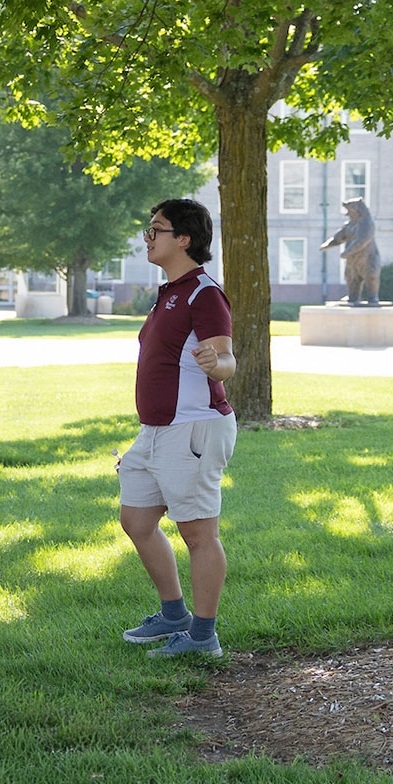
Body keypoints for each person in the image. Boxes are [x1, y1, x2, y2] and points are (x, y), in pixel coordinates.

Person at [118, 199, 237, 659]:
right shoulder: (169, 290)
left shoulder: (203, 293)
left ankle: (203, 636)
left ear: (183, 239)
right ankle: (173, 615)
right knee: (137, 520)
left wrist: (219, 363)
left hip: (193, 430)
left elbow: (224, 356)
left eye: (156, 230)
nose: (148, 238)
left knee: (198, 534)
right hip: (155, 431)